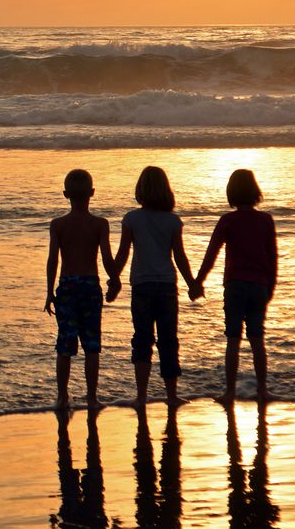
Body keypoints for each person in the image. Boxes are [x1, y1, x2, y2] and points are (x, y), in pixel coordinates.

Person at [109, 165, 200, 408]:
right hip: (167, 286)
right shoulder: (172, 220)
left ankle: (141, 395)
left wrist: (113, 278)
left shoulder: (132, 218)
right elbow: (180, 256)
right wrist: (192, 283)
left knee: (142, 339)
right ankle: (171, 396)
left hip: (142, 285)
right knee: (168, 340)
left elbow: (123, 253)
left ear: (140, 190)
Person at [194, 168, 277, 405]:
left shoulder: (227, 220)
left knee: (233, 338)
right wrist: (271, 286)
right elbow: (272, 257)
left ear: (231, 192)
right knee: (257, 338)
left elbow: (211, 253)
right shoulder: (265, 220)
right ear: (255, 191)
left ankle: (229, 392)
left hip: (235, 285)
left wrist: (199, 281)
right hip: (259, 284)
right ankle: (262, 390)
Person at [45, 168, 119, 411]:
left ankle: (62, 396)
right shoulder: (99, 224)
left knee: (65, 345)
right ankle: (91, 397)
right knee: (92, 344)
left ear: (65, 194)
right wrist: (115, 278)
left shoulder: (58, 225)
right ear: (93, 193)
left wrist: (49, 291)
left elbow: (53, 260)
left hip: (67, 286)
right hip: (90, 285)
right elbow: (107, 258)